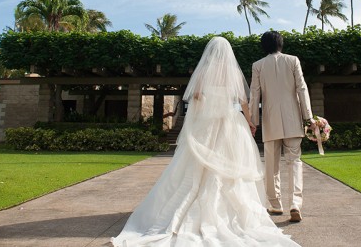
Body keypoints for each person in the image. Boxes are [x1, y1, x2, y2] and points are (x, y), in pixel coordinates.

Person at [110, 37, 299, 247]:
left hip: (207, 123)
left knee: (195, 168)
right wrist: (250, 121)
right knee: (231, 167)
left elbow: (196, 96)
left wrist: (205, 111)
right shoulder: (233, 72)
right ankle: (228, 212)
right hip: (230, 122)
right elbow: (244, 101)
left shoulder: (204, 71)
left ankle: (188, 210)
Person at [249, 31, 316, 223]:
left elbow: (255, 94)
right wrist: (308, 117)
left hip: (270, 121)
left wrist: (253, 121)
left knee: (271, 165)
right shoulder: (293, 60)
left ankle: (275, 205)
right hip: (293, 119)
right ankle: (295, 203)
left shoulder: (258, 65)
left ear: (264, 46)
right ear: (281, 44)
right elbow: (302, 89)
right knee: (294, 162)